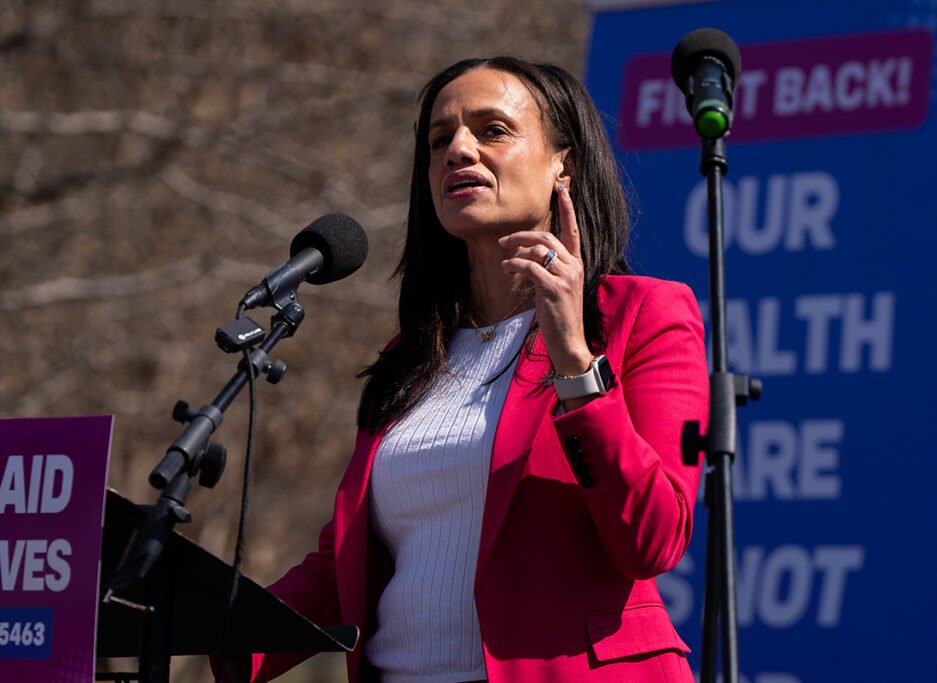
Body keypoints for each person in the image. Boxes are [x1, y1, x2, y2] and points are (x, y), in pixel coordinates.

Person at [228, 56, 709, 683]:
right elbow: (344, 562)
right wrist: (217, 636)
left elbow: (654, 537)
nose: (458, 149)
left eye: (493, 130)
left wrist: (574, 359)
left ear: (563, 163)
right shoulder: (410, 357)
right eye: (439, 140)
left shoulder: (643, 315)